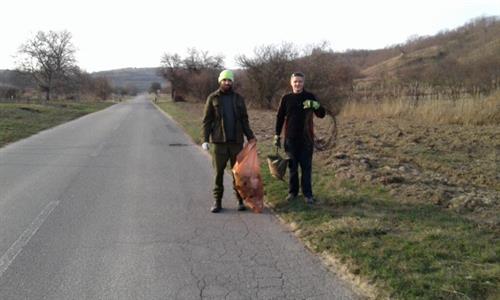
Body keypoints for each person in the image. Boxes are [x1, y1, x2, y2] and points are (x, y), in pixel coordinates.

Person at [202, 70, 257, 213]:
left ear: (232, 82)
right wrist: (205, 139)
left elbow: (245, 119)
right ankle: (217, 201)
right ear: (220, 81)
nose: (227, 83)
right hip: (219, 143)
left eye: (229, 80)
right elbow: (207, 121)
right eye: (225, 80)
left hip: (236, 143)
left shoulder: (238, 98)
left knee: (238, 173)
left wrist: (250, 136)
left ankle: (240, 200)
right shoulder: (212, 98)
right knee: (218, 174)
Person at [274, 72, 326, 204]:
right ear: (291, 83)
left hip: (306, 139)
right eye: (295, 81)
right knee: (292, 168)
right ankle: (293, 192)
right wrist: (277, 135)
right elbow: (280, 117)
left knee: (306, 168)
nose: (298, 84)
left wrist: (316, 105)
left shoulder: (310, 96)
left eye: (300, 81)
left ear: (304, 83)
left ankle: (308, 194)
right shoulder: (286, 98)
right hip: (290, 139)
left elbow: (321, 114)